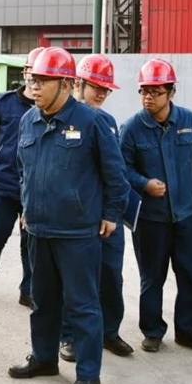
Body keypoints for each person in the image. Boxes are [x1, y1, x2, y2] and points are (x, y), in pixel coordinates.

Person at [8, 47, 129, 384]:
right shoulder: (28, 121)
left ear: (65, 84)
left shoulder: (91, 122)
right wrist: (26, 207)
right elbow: (22, 169)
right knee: (43, 302)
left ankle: (89, 374)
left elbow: (116, 175)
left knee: (82, 304)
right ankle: (44, 358)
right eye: (33, 80)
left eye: (43, 81)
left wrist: (111, 214)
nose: (35, 87)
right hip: (38, 230)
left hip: (78, 234)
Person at [120, 59, 192, 353]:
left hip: (186, 215)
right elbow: (121, 170)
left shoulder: (190, 122)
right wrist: (143, 183)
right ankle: (152, 330)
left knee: (190, 274)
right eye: (144, 91)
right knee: (152, 278)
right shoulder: (131, 129)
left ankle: (188, 330)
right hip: (151, 219)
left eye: (156, 92)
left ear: (171, 92)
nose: (148, 97)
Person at [58, 54, 134, 363]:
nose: (102, 94)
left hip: (108, 217)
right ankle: (68, 335)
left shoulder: (108, 122)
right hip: (77, 217)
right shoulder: (63, 119)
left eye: (106, 89)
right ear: (78, 84)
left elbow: (116, 172)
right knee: (74, 281)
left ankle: (109, 332)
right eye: (96, 87)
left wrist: (113, 213)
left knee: (111, 277)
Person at [0, 47, 42, 307]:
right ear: (24, 73)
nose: (35, 81)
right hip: (4, 181)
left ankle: (29, 290)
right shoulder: (4, 102)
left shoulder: (48, 108)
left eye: (40, 75)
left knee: (31, 241)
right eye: (32, 74)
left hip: (33, 187)